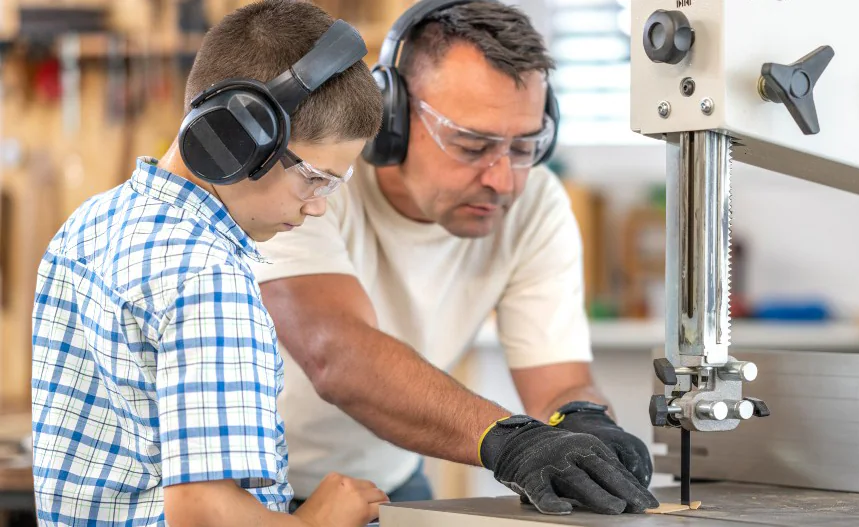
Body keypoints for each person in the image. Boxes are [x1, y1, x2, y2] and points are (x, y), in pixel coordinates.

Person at [254, 0, 659, 516]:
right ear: (392, 118)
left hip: (388, 481)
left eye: (523, 147)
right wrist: (510, 442)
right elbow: (335, 354)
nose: (503, 181)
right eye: (471, 145)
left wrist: (584, 420)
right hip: (251, 488)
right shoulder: (313, 184)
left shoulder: (534, 204)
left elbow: (558, 382)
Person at [30, 1, 389, 526]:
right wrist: (317, 522)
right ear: (240, 136)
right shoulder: (209, 278)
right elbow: (205, 513)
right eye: (314, 178)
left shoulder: (88, 223)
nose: (318, 207)